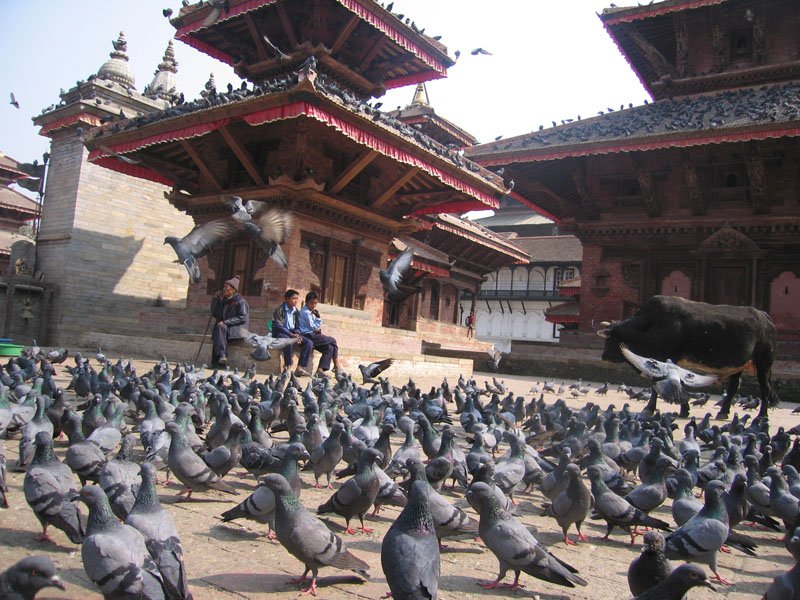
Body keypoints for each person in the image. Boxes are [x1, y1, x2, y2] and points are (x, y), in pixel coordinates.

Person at [298, 291, 341, 376]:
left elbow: (315, 327)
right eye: (311, 303)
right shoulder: (305, 312)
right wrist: (318, 318)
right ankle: (336, 365)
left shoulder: (311, 312)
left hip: (313, 334)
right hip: (308, 335)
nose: (313, 305)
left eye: (315, 303)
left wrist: (317, 324)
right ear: (306, 302)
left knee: (329, 348)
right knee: (333, 340)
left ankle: (320, 370)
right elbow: (312, 327)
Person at [272, 289, 313, 376]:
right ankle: (287, 367)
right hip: (280, 332)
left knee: (308, 343)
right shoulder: (280, 309)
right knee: (288, 341)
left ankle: (299, 368)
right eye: (293, 298)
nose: (296, 301)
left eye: (297, 299)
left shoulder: (296, 311)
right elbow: (279, 326)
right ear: (287, 299)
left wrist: (297, 334)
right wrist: (291, 335)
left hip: (292, 333)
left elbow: (297, 326)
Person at [210, 276, 249, 367]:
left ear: (233, 290)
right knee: (218, 329)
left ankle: (222, 355)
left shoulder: (240, 301)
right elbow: (214, 314)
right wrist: (215, 299)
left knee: (220, 327)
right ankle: (218, 361)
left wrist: (226, 322)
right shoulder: (223, 301)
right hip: (224, 328)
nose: (224, 289)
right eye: (224, 287)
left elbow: (242, 317)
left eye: (227, 287)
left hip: (236, 328)